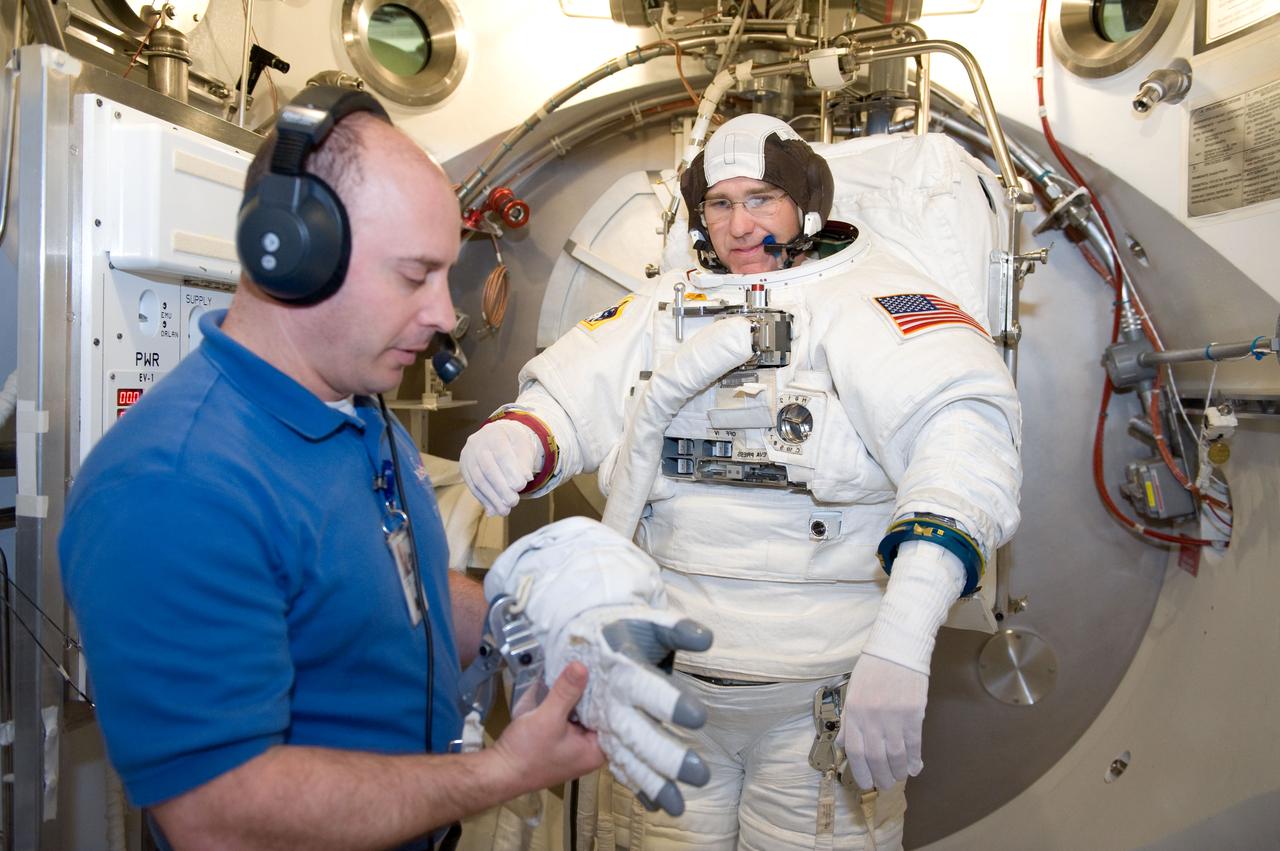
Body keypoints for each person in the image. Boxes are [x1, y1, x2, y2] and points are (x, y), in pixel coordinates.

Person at [58, 88, 705, 851]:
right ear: (294, 254)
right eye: (414, 275)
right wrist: (500, 771)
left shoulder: (356, 409)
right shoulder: (175, 485)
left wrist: (528, 608)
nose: (443, 313)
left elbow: (388, 596)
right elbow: (220, 818)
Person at [459, 113, 1023, 849]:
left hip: (817, 704)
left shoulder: (878, 302)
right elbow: (576, 388)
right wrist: (522, 430)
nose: (738, 223)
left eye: (761, 198)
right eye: (719, 204)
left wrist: (905, 639)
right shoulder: (666, 304)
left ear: (807, 205)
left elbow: (963, 452)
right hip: (670, 685)